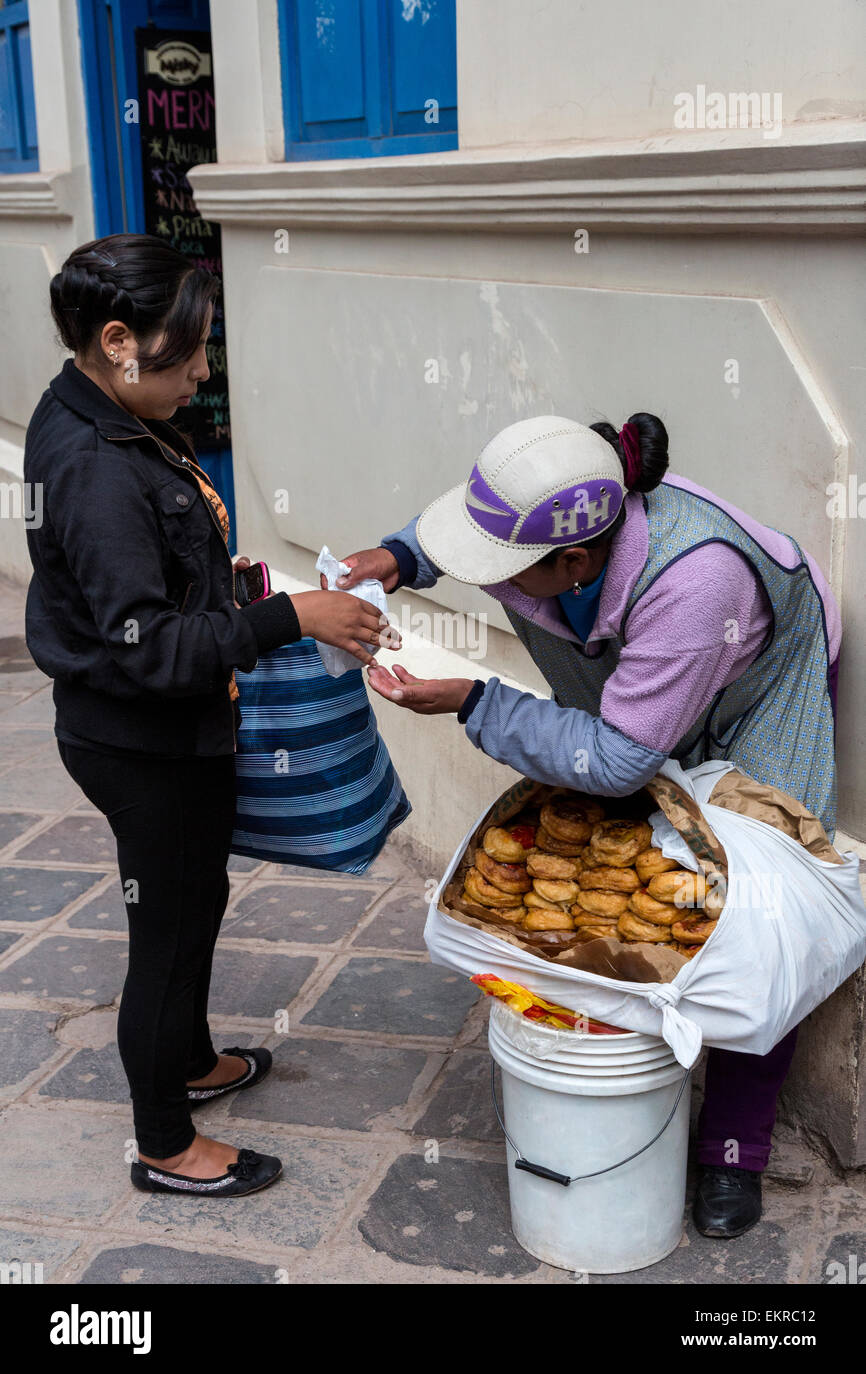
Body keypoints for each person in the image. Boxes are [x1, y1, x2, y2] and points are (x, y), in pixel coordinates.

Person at [331, 413, 841, 1239]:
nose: (480, 574)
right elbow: (467, 528)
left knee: (753, 924)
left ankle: (733, 1147)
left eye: (498, 571)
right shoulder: (541, 507)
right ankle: (616, 1045)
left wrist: (473, 701)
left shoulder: (695, 585)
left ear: (575, 562)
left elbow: (615, 761)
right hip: (639, 696)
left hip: (753, 694)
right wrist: (399, 558)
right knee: (621, 877)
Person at [25, 234, 395, 1198]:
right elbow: (146, 649)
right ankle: (165, 1145)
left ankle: (189, 1061)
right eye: (186, 353)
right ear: (116, 341)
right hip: (138, 741)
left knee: (195, 900)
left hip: (155, 731)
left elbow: (146, 586)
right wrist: (289, 617)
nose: (200, 373)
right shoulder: (96, 465)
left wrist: (220, 585)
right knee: (168, 928)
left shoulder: (98, 410)